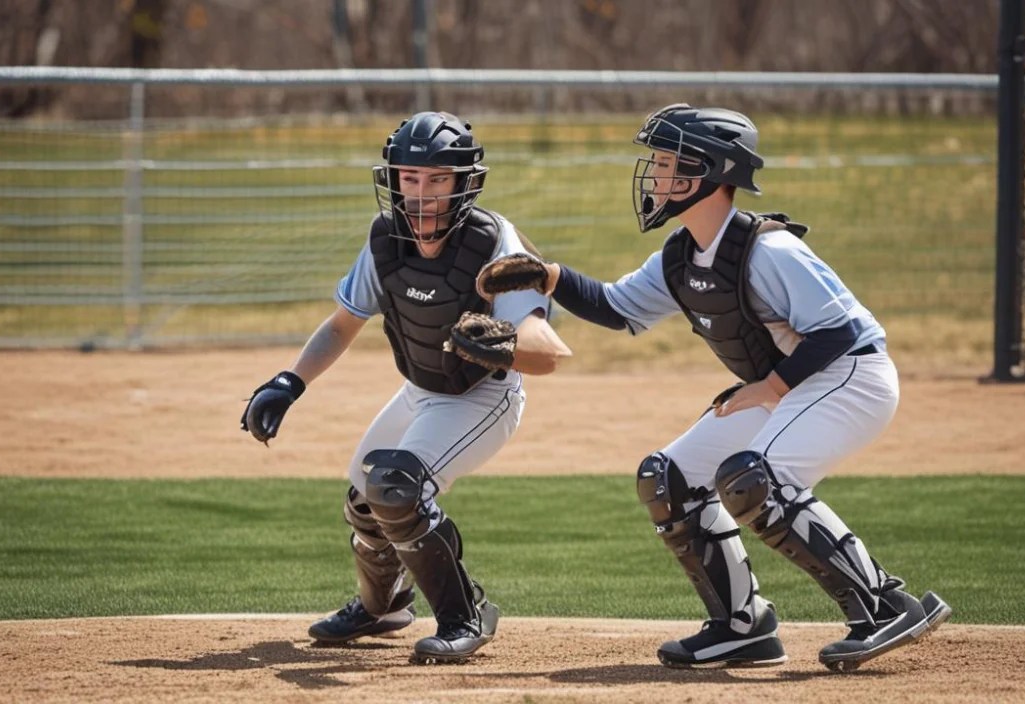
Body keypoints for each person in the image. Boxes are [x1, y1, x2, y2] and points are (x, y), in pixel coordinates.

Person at [476, 103, 951, 672]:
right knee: (668, 479)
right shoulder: (679, 257)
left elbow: (840, 331)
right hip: (793, 385)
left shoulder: (769, 249)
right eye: (656, 162)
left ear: (710, 173)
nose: (654, 175)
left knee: (756, 478)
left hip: (852, 377)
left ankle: (884, 605)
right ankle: (742, 627)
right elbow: (616, 308)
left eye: (668, 162)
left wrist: (768, 385)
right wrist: (546, 276)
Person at [241, 111, 571, 665]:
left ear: (466, 183)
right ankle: (386, 604)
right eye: (408, 179)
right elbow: (343, 323)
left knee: (397, 487)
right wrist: (289, 381)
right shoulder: (386, 242)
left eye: (437, 179)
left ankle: (466, 615)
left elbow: (546, 351)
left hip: (483, 397)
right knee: (366, 500)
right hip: (420, 389)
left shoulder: (493, 241)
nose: (420, 194)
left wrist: (505, 345)